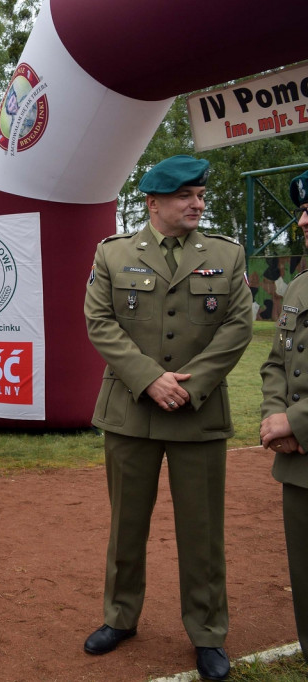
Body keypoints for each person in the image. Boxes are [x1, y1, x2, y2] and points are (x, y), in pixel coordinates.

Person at [83, 155, 253, 681]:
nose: (197, 204)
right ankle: (120, 617)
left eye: (200, 195)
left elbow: (238, 326)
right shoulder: (113, 253)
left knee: (202, 532)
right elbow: (99, 321)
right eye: (186, 196)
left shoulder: (226, 255)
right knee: (126, 526)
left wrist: (190, 385)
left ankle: (208, 633)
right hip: (131, 412)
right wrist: (150, 379)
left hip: (197, 415)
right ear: (153, 202)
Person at [259, 168, 308, 664]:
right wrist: (276, 418)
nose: (304, 221)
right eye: (303, 211)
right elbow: (275, 362)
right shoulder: (298, 288)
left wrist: (298, 421)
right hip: (298, 464)